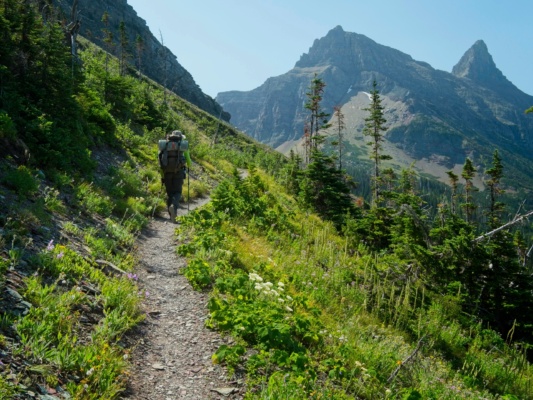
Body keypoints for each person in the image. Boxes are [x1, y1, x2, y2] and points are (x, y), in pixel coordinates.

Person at [158, 130, 192, 221]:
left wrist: (162, 176)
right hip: (178, 172)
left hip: (166, 172)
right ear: (180, 137)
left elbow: (160, 163)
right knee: (177, 192)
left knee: (170, 194)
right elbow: (189, 163)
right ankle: (174, 208)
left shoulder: (165, 145)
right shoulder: (182, 146)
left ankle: (171, 215)